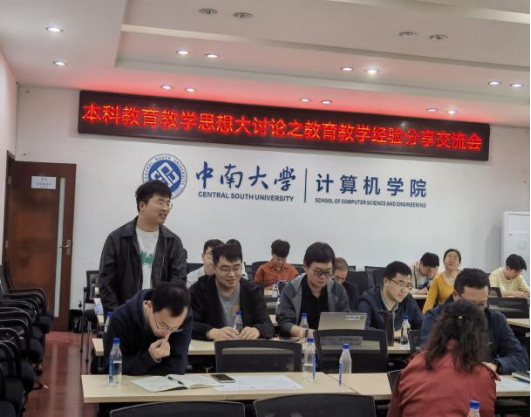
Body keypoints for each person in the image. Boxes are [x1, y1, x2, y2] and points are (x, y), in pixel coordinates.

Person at [388, 299, 497, 417]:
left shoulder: (414, 365)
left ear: (440, 329)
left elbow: (394, 413)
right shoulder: (482, 376)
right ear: (479, 336)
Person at [98, 180, 188, 313]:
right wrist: (118, 314)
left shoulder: (173, 242)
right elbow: (106, 282)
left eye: (168, 203)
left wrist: (162, 314)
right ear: (142, 205)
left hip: (159, 315)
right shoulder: (117, 239)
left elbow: (178, 282)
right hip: (125, 313)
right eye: (160, 202)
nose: (166, 208)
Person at [421, 268, 529, 375]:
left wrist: (496, 365)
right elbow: (428, 357)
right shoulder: (435, 318)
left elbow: (521, 358)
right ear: (455, 295)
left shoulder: (496, 319)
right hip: (448, 378)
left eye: (481, 304)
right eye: (470, 304)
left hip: (484, 380)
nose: (476, 311)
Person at [103, 282, 192, 376]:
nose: (167, 334)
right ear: (149, 306)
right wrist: (149, 358)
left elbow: (177, 367)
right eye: (163, 325)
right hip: (126, 384)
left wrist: (137, 367)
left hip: (162, 383)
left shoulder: (183, 317)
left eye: (175, 328)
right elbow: (113, 367)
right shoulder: (120, 318)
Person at [190, 243, 274, 341]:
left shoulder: (252, 291)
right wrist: (211, 332)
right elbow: (187, 323)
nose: (232, 274)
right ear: (214, 268)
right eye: (225, 269)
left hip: (244, 347)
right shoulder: (198, 290)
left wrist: (257, 330)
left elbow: (268, 325)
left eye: (236, 268)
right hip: (211, 348)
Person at [276, 242, 350, 338]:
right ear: (305, 266)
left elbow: (346, 321)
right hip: (300, 342)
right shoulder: (292, 289)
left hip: (329, 343)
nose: (323, 277)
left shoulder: (338, 291)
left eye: (328, 272)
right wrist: (307, 333)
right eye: (318, 272)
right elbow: (284, 323)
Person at [358, 261, 423, 335]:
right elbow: (362, 329)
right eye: (400, 284)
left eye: (408, 286)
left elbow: (423, 327)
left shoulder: (409, 300)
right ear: (386, 281)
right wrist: (392, 334)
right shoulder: (368, 299)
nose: (404, 290)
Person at [422, 249, 461, 313]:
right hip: (444, 314)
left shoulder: (465, 276)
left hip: (463, 312)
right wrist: (424, 316)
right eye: (449, 256)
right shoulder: (437, 279)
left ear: (459, 263)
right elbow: (430, 300)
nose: (451, 260)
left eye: (455, 258)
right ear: (443, 261)